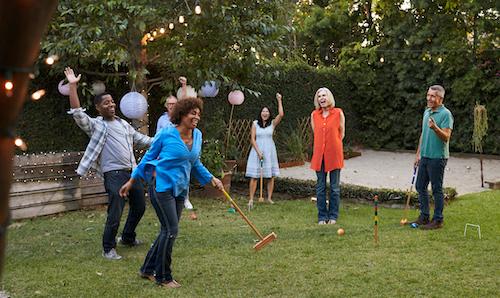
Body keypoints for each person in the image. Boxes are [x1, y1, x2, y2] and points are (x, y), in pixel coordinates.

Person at [119, 97, 224, 288]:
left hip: (180, 188)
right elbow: (147, 158)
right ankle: (163, 276)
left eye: (198, 114)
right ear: (182, 115)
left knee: (167, 230)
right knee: (171, 230)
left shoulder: (197, 135)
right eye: (193, 113)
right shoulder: (166, 134)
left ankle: (147, 269)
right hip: (161, 186)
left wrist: (211, 179)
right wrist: (131, 181)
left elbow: (195, 163)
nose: (197, 117)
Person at [63, 67, 152, 260]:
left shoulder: (123, 124)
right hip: (114, 174)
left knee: (139, 207)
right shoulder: (96, 125)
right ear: (98, 108)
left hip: (133, 173)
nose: (111, 105)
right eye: (106, 103)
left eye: (112, 102)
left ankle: (127, 238)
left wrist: (164, 139)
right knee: (116, 211)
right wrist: (72, 86)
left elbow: (142, 140)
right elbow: (78, 114)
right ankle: (108, 248)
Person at [411, 85, 453, 230]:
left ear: (440, 98)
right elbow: (423, 134)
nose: (429, 98)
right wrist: (418, 154)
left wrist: (435, 128)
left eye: (433, 96)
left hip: (438, 158)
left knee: (436, 189)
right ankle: (424, 216)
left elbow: (446, 137)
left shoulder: (446, 114)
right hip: (425, 156)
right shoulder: (427, 111)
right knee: (420, 186)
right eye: (428, 95)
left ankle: (438, 220)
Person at [155, 77, 196, 216]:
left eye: (174, 103)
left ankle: (185, 198)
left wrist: (184, 85)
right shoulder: (162, 120)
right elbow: (157, 138)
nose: (172, 106)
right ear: (166, 106)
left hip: (182, 151)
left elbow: (185, 101)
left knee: (184, 174)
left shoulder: (181, 118)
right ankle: (169, 199)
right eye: (169, 104)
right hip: (167, 153)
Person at [310, 87, 345, 225]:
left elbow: (341, 133)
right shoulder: (314, 115)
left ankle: (333, 216)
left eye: (324, 95)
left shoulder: (338, 113)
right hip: (319, 155)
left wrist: (333, 144)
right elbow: (316, 133)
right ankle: (322, 216)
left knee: (335, 187)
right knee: (320, 187)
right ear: (317, 100)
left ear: (329, 97)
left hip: (334, 153)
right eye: (319, 96)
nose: (322, 98)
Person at [245, 93, 284, 208]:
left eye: (267, 112)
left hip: (270, 151)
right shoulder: (255, 123)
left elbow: (281, 114)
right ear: (260, 113)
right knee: (254, 176)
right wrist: (258, 152)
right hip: (257, 151)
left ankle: (269, 198)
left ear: (269, 113)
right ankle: (251, 199)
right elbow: (252, 139)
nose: (265, 113)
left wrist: (279, 100)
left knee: (270, 176)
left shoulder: (272, 124)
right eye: (263, 111)